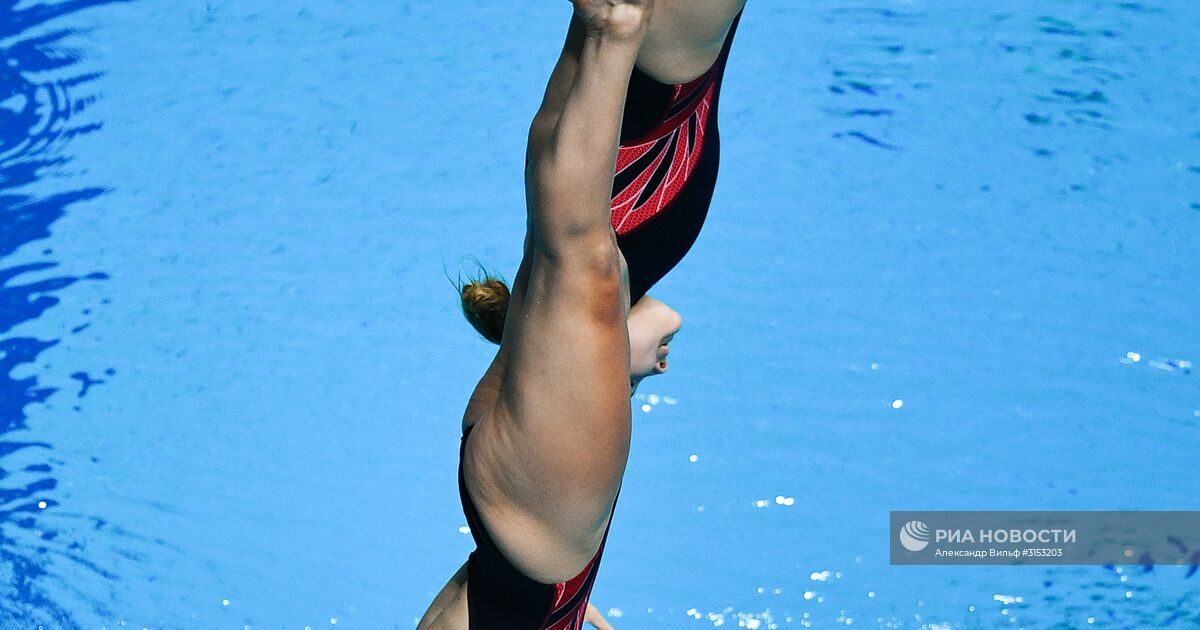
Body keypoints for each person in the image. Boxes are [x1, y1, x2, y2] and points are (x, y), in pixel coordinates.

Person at [420, 1, 746, 628]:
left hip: (539, 532)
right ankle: (610, 29)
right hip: (526, 534)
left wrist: (608, 33)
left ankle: (612, 26)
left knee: (575, 259)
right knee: (571, 256)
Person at [462, 0, 746, 349]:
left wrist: (612, 29)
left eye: (627, 387)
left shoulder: (579, 268)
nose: (661, 366)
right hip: (676, 61)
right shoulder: (586, 260)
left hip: (658, 59)